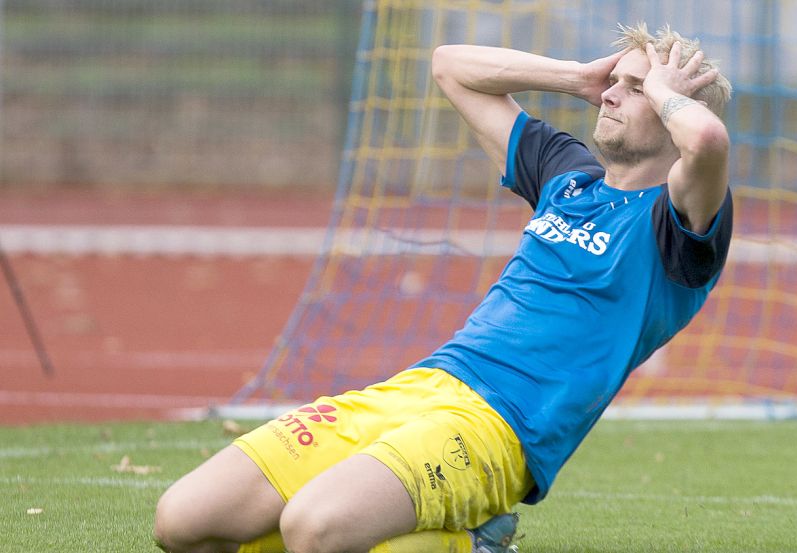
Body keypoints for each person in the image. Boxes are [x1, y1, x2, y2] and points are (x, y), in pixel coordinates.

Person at [153, 21, 733, 553]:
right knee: (183, 522)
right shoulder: (567, 175)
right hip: (424, 385)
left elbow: (706, 141)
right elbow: (451, 66)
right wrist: (579, 77)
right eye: (616, 81)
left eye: (634, 89)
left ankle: (472, 545)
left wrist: (662, 88)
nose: (612, 94)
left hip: (500, 430)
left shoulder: (676, 224)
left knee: (313, 529)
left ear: (668, 108)